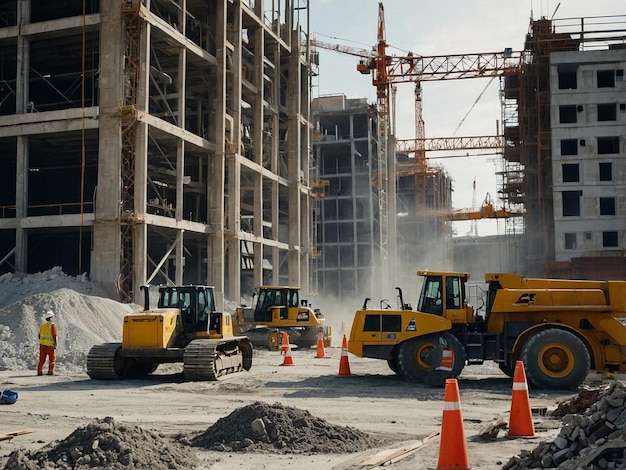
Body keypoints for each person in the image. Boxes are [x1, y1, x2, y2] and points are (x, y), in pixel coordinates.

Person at [37, 310, 57, 376]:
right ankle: (50, 371)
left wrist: (43, 341)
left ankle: (39, 372)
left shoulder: (43, 325)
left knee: (41, 359)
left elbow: (39, 335)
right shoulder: (52, 325)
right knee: (52, 359)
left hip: (42, 345)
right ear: (51, 318)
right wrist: (55, 343)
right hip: (50, 345)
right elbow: (54, 335)